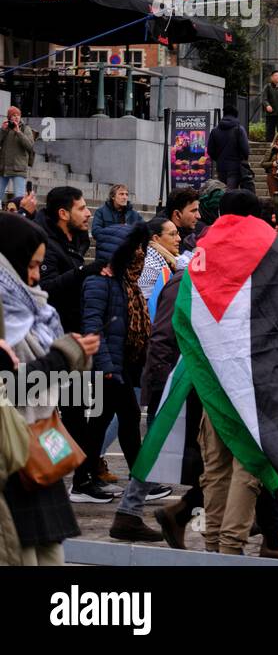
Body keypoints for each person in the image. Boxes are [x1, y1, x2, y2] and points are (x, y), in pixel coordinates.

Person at [0, 213, 99, 566]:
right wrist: (64, 355)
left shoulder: (30, 308)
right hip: (11, 461)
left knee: (49, 557)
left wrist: (75, 356)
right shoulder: (5, 308)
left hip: (36, 453)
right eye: (30, 264)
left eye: (40, 265)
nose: (35, 275)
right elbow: (10, 386)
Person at [66, 222, 152, 503]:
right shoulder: (98, 282)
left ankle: (83, 478)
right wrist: (106, 367)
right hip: (107, 367)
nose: (140, 254)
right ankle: (138, 482)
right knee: (125, 417)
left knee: (101, 422)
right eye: (135, 248)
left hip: (119, 364)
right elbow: (94, 327)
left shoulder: (122, 282)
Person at [34, 186, 101, 334]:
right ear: (63, 214)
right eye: (82, 208)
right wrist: (82, 271)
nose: (89, 213)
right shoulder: (44, 245)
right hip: (56, 333)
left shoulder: (77, 238)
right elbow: (45, 290)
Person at [207, 106, 251, 190]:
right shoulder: (239, 129)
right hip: (236, 166)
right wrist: (243, 159)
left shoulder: (215, 130)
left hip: (221, 167)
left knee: (223, 191)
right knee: (232, 192)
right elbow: (245, 149)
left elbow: (210, 150)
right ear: (235, 115)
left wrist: (218, 159)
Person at [137, 215, 180, 301]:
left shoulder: (170, 260)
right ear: (156, 238)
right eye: (172, 234)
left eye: (178, 234)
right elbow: (147, 306)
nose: (179, 239)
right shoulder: (149, 268)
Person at [0, 106, 35, 204]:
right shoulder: (5, 129)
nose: (16, 117)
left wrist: (18, 132)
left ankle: (19, 216)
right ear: (9, 117)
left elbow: (30, 146)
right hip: (3, 168)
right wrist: (2, 130)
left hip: (18, 168)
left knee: (19, 198)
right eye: (13, 115)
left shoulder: (25, 128)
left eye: (18, 115)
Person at [260, 70, 278, 141]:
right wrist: (267, 106)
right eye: (276, 75)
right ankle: (269, 149)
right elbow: (264, 98)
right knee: (270, 132)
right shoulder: (268, 87)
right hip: (271, 114)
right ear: (272, 78)